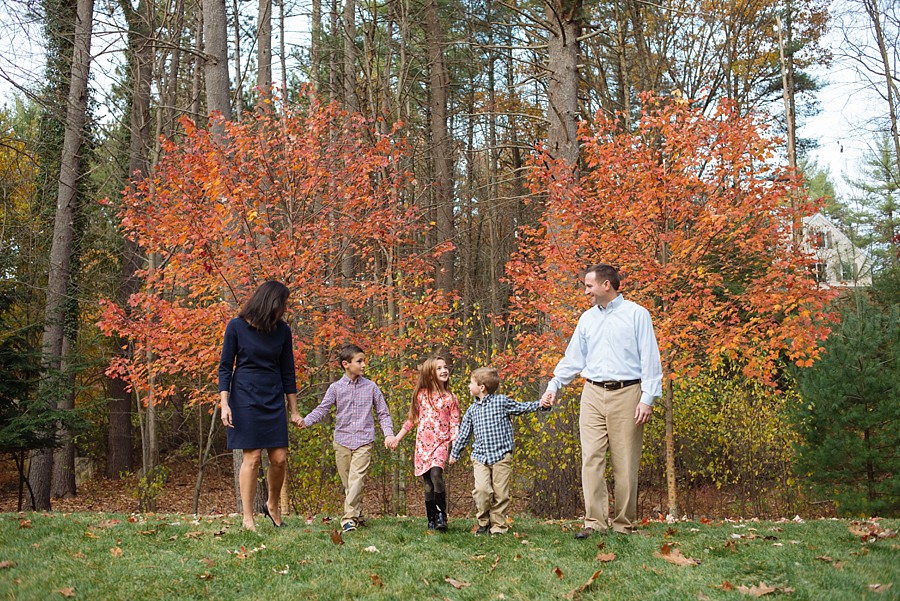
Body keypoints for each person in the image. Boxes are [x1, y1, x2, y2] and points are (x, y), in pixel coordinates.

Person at [541, 264, 662, 538]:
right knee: (591, 459)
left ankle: (623, 525)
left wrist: (648, 398)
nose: (586, 292)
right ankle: (594, 522)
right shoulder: (587, 319)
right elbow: (573, 358)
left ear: (606, 285)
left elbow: (650, 358)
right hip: (592, 394)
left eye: (589, 286)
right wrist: (554, 385)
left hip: (628, 394)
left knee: (625, 463)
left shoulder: (637, 315)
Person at [218, 281, 302, 531]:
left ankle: (272, 504)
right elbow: (225, 367)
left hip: (273, 397)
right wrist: (225, 403)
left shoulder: (282, 331)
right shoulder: (236, 327)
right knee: (252, 457)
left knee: (279, 458)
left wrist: (294, 410)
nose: (285, 310)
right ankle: (247, 517)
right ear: (271, 303)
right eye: (283, 304)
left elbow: (288, 372)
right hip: (244, 398)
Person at [298, 344, 396, 532]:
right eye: (359, 361)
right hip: (342, 441)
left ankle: (348, 519)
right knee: (349, 483)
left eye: (364, 361)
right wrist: (306, 421)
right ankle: (357, 513)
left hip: (364, 441)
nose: (364, 365)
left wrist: (388, 434)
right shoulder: (335, 388)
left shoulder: (371, 387)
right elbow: (323, 408)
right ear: (346, 364)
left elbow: (383, 413)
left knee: (357, 479)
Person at [448, 367, 552, 536]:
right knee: (482, 491)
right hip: (480, 457)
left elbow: (521, 407)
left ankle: (498, 526)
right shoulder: (472, 411)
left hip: (501, 456)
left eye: (471, 383)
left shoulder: (501, 402)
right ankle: (483, 522)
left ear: (481, 387)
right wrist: (455, 453)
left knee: (500, 494)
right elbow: (464, 434)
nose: (468, 386)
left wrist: (540, 404)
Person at [389, 356, 461, 531]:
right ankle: (431, 519)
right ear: (430, 375)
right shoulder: (421, 396)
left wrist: (455, 447)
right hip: (422, 445)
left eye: (445, 367)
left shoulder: (451, 398)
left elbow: (455, 424)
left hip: (441, 444)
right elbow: (411, 420)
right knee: (428, 483)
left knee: (437, 474)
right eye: (439, 368)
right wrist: (397, 438)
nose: (444, 370)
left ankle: (441, 515)